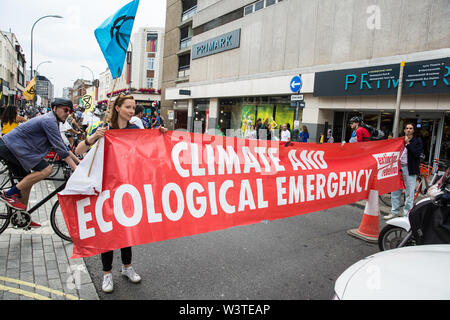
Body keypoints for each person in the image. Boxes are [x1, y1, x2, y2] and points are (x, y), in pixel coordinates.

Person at [75, 94, 167, 293]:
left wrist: (160, 134)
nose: (132, 111)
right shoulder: (103, 128)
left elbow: (148, 151)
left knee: (126, 230)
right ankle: (107, 274)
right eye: (128, 107)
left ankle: (127, 267)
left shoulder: (135, 129)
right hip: (105, 187)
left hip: (127, 187)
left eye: (133, 107)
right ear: (117, 108)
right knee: (107, 232)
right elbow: (79, 149)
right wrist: (93, 137)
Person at [0, 98, 78, 222]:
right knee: (47, 169)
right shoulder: (49, 121)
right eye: (65, 109)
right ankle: (9, 194)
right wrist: (76, 169)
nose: (68, 113)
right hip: (12, 148)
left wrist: (79, 163)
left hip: (16, 149)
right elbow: (61, 150)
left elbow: (63, 147)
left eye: (70, 111)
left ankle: (22, 218)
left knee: (27, 182)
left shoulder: (53, 121)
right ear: (55, 108)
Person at [384, 123, 423, 220]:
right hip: (398, 168)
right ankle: (394, 212)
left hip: (409, 169)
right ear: (404, 130)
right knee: (395, 191)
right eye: (407, 128)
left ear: (413, 130)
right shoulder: (400, 141)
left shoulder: (417, 141)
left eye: (411, 128)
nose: (409, 130)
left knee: (409, 193)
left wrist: (408, 144)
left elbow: (416, 154)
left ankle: (407, 214)